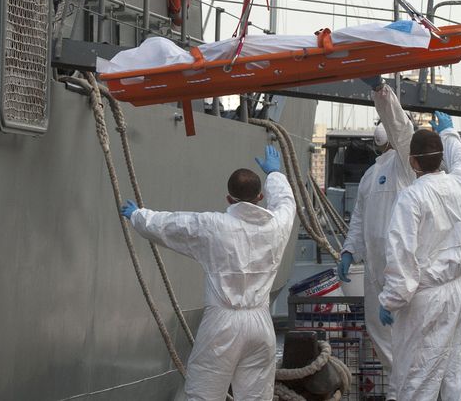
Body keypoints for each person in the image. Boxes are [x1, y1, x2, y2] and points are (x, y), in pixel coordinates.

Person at [120, 145, 295, 401]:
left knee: (204, 393)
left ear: (228, 198)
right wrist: (275, 174)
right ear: (260, 197)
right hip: (260, 322)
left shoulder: (214, 226)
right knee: (256, 396)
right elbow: (286, 202)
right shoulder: (277, 226)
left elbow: (171, 225)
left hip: (223, 323)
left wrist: (138, 215)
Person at [378, 111, 461, 400]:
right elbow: (460, 160)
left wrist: (390, 300)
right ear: (440, 157)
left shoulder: (411, 197)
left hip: (428, 297)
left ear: (412, 161)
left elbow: (401, 254)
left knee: (419, 375)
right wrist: (449, 133)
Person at [337, 76, 415, 400]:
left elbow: (400, 128)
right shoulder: (370, 175)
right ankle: (401, 391)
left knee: (408, 339)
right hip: (373, 270)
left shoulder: (404, 165)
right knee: (380, 335)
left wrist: (381, 92)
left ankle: (409, 391)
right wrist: (348, 250)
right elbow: (359, 218)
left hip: (401, 268)